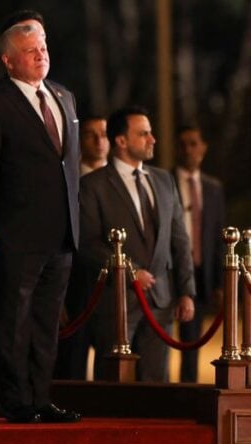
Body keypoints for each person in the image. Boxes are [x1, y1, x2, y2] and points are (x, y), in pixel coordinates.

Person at [0, 10, 81, 423]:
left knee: (46, 325)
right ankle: (14, 400)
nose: (40, 56)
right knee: (13, 321)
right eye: (30, 51)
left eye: (43, 48)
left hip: (61, 232)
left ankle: (41, 397)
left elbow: (68, 166)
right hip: (14, 232)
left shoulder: (64, 97)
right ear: (9, 60)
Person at [79, 106, 195, 382]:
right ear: (121, 141)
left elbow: (179, 240)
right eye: (143, 134)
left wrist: (187, 291)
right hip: (115, 302)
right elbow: (88, 243)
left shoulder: (164, 180)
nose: (152, 139)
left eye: (151, 133)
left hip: (161, 302)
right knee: (113, 386)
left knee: (157, 385)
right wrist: (130, 272)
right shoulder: (93, 185)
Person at [54, 115, 108, 380]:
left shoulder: (121, 183)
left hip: (114, 295)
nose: (99, 141)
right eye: (91, 134)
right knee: (70, 370)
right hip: (74, 290)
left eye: (104, 134)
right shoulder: (64, 182)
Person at [174, 125, 225, 383]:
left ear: (203, 147)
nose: (188, 150)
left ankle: (188, 390)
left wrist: (219, 283)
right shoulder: (166, 181)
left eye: (194, 143)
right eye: (183, 144)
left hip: (201, 273)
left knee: (193, 341)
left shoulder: (213, 188)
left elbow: (218, 238)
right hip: (171, 272)